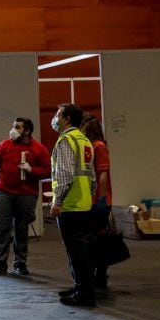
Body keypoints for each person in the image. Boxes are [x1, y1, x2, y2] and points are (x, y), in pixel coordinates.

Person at [0, 117, 51, 277]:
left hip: (26, 195)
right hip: (4, 192)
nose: (12, 130)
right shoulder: (5, 145)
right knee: (1, 227)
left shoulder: (39, 149)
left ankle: (20, 264)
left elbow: (48, 171)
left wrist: (32, 170)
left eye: (17, 127)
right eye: (13, 126)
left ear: (27, 131)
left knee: (21, 229)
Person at [50, 104, 98, 307]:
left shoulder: (66, 140)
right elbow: (91, 176)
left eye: (58, 114)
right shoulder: (84, 140)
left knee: (75, 250)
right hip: (84, 203)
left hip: (70, 205)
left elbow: (65, 175)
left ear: (67, 118)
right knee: (81, 250)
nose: (55, 118)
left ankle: (84, 293)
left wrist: (58, 201)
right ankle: (81, 286)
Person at [81, 114, 113, 289]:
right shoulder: (90, 146)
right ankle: (95, 273)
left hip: (99, 201)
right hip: (91, 200)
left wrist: (100, 198)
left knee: (99, 240)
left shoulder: (99, 147)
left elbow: (102, 174)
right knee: (92, 239)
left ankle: (100, 275)